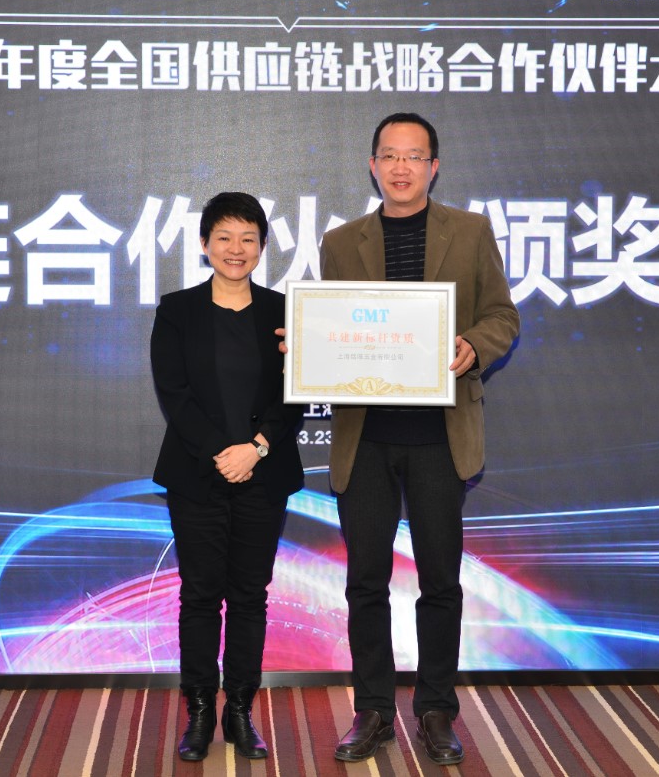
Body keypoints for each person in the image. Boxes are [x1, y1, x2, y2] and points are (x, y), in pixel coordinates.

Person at [322, 113, 519, 766]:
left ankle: (436, 708)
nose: (401, 167)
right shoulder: (340, 242)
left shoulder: (470, 231)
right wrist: (311, 349)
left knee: (440, 580)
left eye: (414, 156)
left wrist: (474, 345)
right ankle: (373, 710)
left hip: (439, 435)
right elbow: (332, 328)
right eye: (389, 155)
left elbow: (503, 316)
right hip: (366, 438)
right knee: (365, 581)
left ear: (433, 167)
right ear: (372, 166)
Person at [149, 191, 304, 762]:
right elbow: (175, 394)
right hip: (197, 475)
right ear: (204, 244)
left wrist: (256, 448)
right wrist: (224, 451)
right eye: (224, 238)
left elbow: (298, 392)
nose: (236, 249)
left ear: (262, 246)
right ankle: (198, 713)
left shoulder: (285, 311)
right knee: (198, 595)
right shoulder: (177, 310)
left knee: (248, 596)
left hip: (264, 474)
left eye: (248, 239)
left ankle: (240, 710)